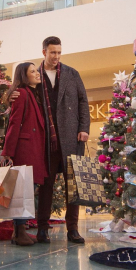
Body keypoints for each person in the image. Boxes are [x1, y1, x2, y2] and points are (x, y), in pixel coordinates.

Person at [10, 37, 90, 244]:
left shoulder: (72, 74)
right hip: (46, 139)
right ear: (44, 51)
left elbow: (83, 101)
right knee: (46, 184)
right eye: (52, 52)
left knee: (73, 184)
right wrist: (8, 96)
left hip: (72, 136)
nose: (56, 56)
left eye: (59, 52)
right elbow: (19, 92)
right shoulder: (34, 75)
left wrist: (84, 128)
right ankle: (42, 229)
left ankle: (73, 229)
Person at [0, 62, 47, 246]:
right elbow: (14, 123)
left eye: (37, 70)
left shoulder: (32, 94)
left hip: (32, 148)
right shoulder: (22, 94)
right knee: (22, 191)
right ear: (24, 76)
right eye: (32, 71)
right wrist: (7, 152)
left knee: (26, 190)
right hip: (24, 149)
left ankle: (18, 231)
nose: (37, 74)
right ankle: (18, 232)